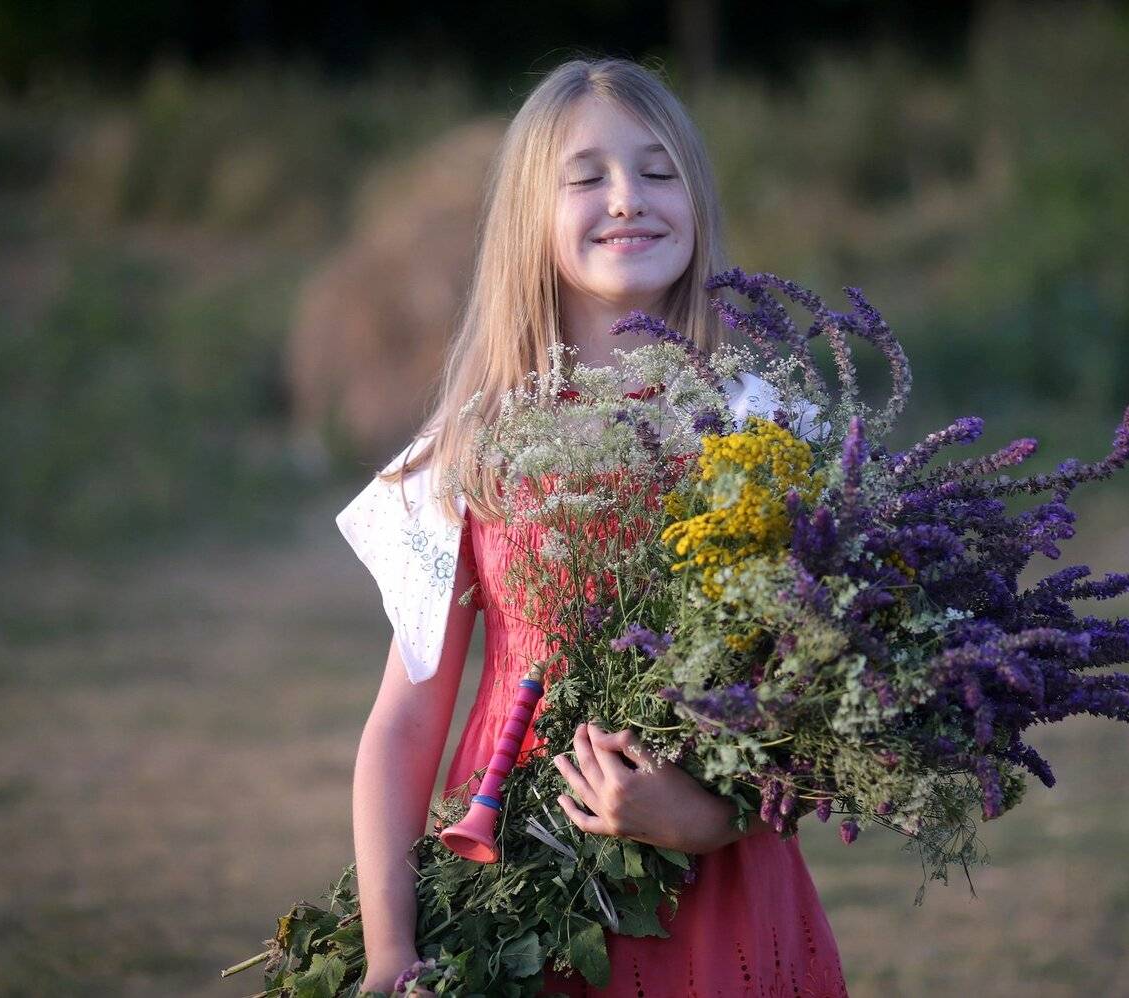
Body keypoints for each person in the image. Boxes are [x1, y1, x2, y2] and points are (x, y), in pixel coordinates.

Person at [336, 57, 849, 996]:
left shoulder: (760, 427)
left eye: (661, 172)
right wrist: (387, 952)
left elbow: (822, 706)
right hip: (515, 884)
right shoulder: (473, 447)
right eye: (587, 177)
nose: (629, 199)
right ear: (531, 217)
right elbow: (406, 722)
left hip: (722, 895)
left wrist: (701, 818)